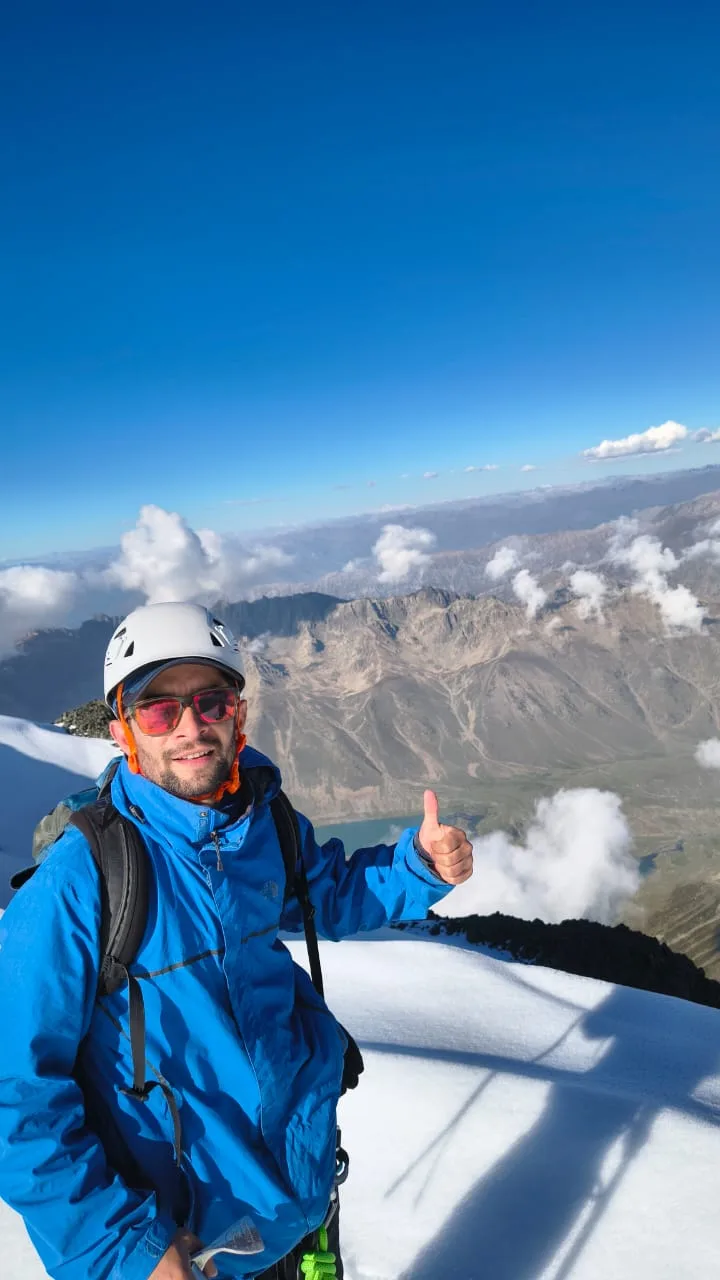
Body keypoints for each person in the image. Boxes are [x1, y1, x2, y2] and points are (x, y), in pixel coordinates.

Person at [0, 602, 473, 1280]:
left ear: (237, 713)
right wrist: (127, 1251)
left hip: (298, 1201)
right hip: (187, 1250)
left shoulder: (258, 821)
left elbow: (328, 892)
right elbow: (16, 1095)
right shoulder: (82, 879)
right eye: (159, 710)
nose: (191, 728)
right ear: (122, 729)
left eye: (211, 702)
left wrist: (418, 867)